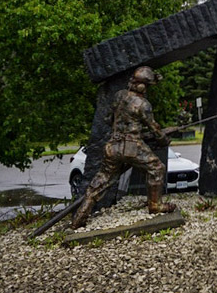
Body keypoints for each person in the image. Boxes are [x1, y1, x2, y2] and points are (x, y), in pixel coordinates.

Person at [71, 66, 177, 230]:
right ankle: (155, 205)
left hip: (112, 146)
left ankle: (80, 216)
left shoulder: (119, 96)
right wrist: (163, 139)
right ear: (143, 85)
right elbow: (154, 129)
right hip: (132, 147)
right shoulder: (143, 104)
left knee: (101, 180)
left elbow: (108, 119)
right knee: (156, 168)